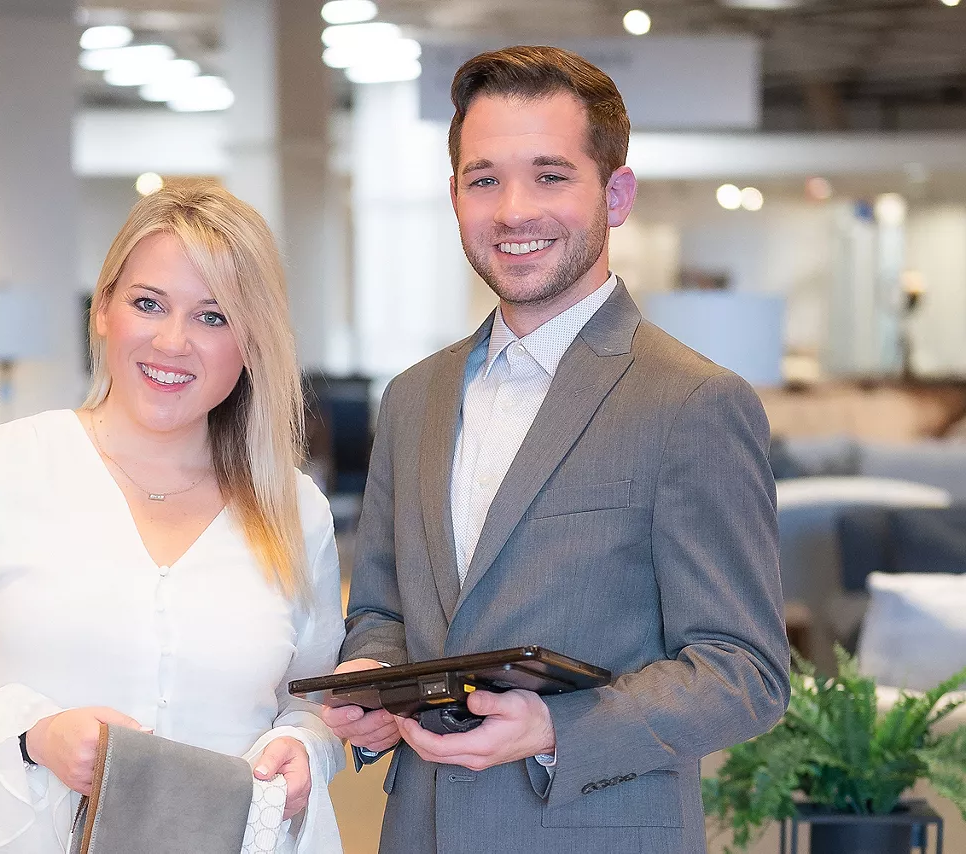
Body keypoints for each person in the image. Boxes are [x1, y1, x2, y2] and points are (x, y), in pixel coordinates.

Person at [322, 45, 791, 854]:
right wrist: (372, 680)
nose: (512, 210)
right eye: (484, 178)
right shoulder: (412, 398)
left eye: (549, 175)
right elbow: (382, 610)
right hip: (419, 833)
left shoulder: (692, 402)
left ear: (615, 194)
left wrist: (552, 727)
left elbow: (745, 671)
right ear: (455, 196)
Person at [0, 181, 346, 854]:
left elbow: (311, 700)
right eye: (148, 304)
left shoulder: (295, 510)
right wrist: (34, 733)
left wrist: (306, 747)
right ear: (103, 311)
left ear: (252, 342)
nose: (173, 341)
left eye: (213, 317)